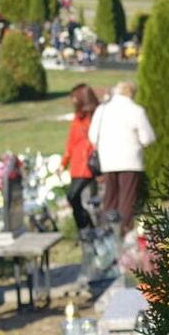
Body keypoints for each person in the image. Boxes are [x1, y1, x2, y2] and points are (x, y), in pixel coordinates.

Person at [88, 80, 155, 237]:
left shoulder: (103, 110)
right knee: (127, 198)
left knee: (110, 196)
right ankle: (124, 233)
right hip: (130, 160)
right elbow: (147, 137)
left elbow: (92, 136)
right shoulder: (136, 110)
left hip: (108, 159)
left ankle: (107, 232)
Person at [60, 83, 100, 237]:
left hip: (88, 165)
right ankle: (85, 229)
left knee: (73, 195)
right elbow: (71, 142)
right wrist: (64, 161)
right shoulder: (78, 118)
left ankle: (85, 229)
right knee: (74, 198)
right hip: (77, 165)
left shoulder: (95, 116)